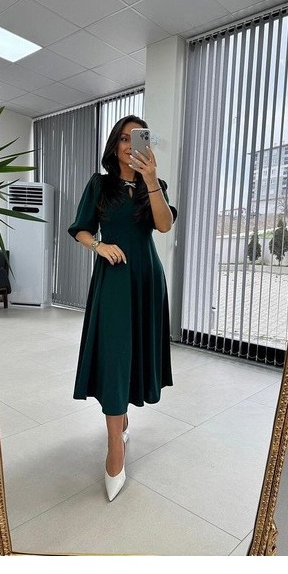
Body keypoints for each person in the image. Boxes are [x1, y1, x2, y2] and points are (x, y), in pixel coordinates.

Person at [68, 115, 177, 502]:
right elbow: (81, 228)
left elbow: (164, 226)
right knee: (114, 355)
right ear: (115, 145)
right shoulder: (99, 185)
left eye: (139, 138)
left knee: (134, 353)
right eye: (125, 139)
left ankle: (122, 419)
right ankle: (115, 444)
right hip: (114, 279)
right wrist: (98, 245)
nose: (132, 145)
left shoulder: (155, 185)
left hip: (146, 279)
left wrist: (151, 180)